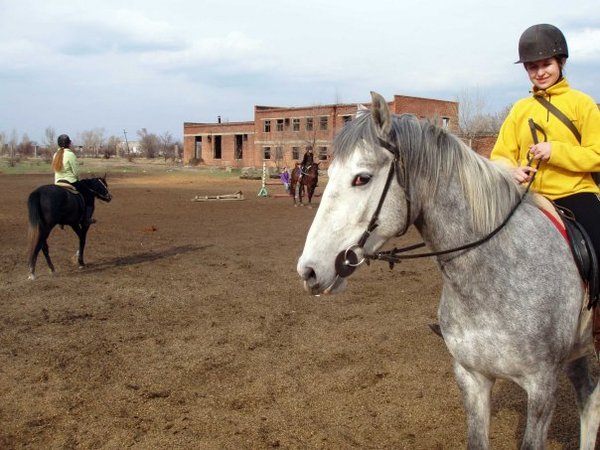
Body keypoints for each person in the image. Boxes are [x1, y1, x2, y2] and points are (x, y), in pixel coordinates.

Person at [491, 23, 600, 267]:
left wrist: (556, 151)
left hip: (575, 193)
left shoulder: (582, 104)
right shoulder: (519, 110)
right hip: (530, 198)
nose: (540, 72)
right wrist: (511, 171)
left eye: (546, 64)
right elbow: (501, 155)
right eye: (532, 67)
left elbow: (597, 154)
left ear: (560, 63)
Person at [52, 134, 96, 226]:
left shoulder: (55, 154)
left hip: (57, 181)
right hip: (70, 181)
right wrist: (78, 181)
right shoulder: (70, 154)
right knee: (89, 194)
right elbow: (76, 172)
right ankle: (86, 219)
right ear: (69, 143)